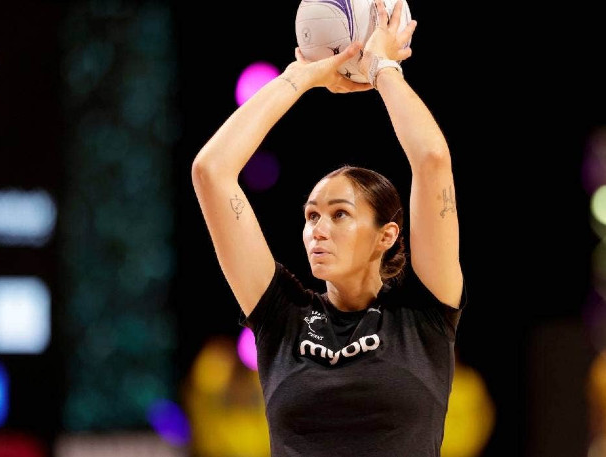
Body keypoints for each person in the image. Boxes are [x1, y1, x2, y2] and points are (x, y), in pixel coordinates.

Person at [191, 0, 466, 455]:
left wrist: (382, 67)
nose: (317, 229)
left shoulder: (423, 313)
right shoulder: (282, 316)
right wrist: (301, 75)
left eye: (339, 214)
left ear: (386, 235)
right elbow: (211, 171)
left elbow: (432, 160)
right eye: (311, 216)